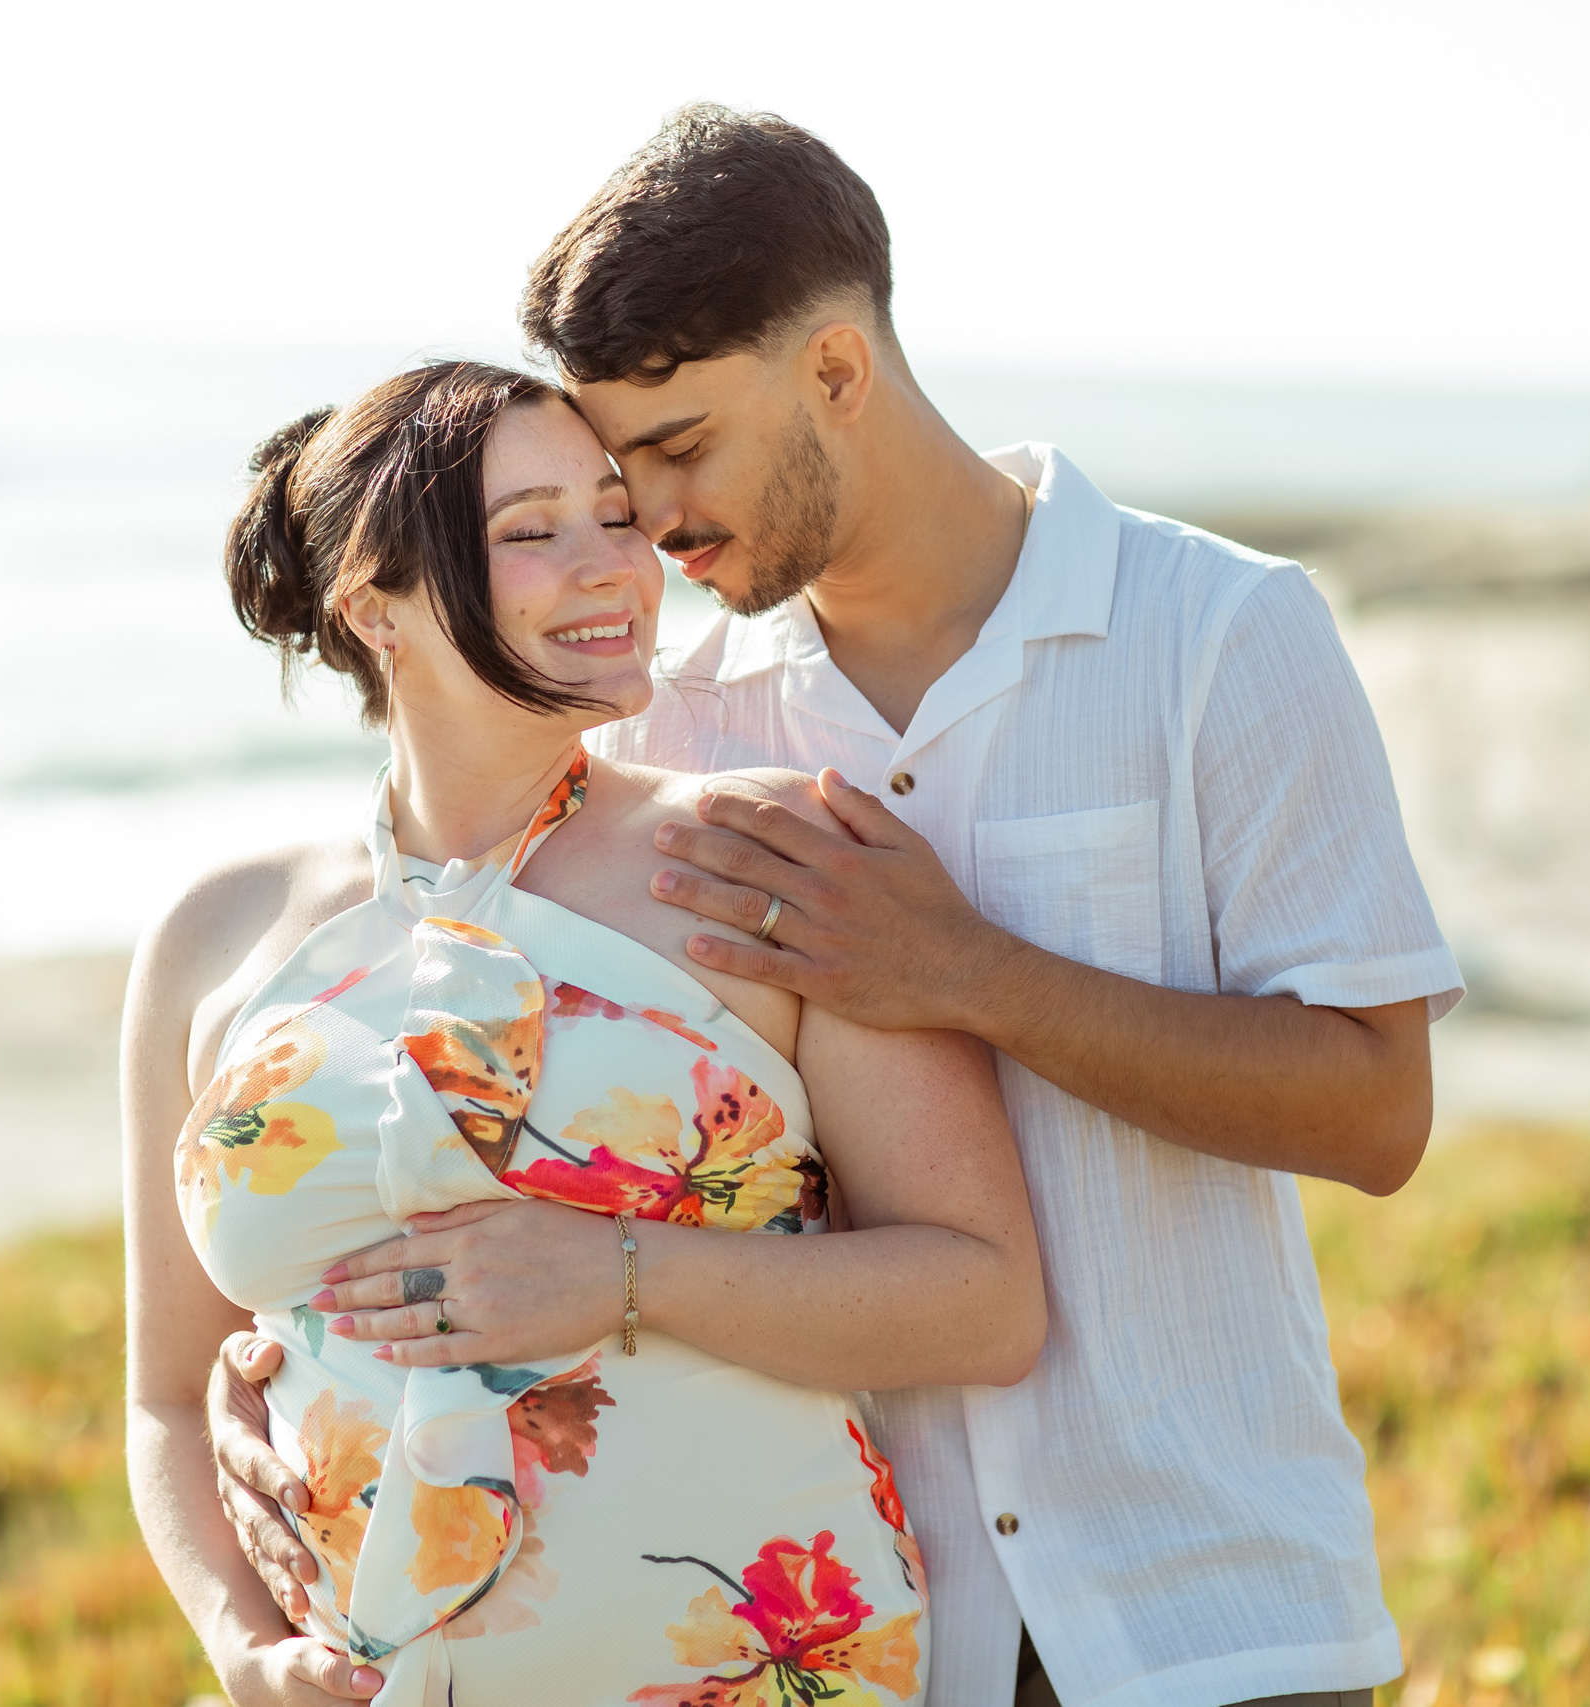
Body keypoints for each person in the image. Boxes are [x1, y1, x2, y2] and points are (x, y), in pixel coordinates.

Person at [209, 108, 1466, 1707]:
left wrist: (973, 973)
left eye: (677, 451)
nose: (648, 525)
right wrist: (271, 1382)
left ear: (837, 373)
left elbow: (1375, 1111)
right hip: (848, 1621)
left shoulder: (1218, 634)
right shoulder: (663, 717)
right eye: (612, 473)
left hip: (1208, 1606)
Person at [123, 357, 1049, 1707]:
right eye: (529, 532)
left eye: (616, 515)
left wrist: (621, 1272)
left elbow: (985, 1300)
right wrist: (240, 1642)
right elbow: (162, 1396)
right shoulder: (216, 936)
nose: (614, 565)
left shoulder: (768, 853)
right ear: (376, 609)